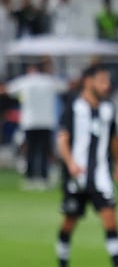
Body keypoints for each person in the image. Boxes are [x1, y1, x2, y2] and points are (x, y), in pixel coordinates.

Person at [54, 64, 118, 267]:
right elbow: (62, 139)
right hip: (77, 176)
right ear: (88, 81)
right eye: (102, 80)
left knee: (110, 218)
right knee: (69, 222)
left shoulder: (108, 108)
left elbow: (113, 138)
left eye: (107, 81)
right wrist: (71, 163)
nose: (106, 85)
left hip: (101, 175)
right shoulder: (74, 106)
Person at [2, 58, 67, 191]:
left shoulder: (25, 81)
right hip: (46, 122)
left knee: (31, 150)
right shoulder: (49, 81)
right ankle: (43, 177)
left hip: (30, 122)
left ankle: (30, 177)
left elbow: (7, 89)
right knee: (44, 151)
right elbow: (66, 86)